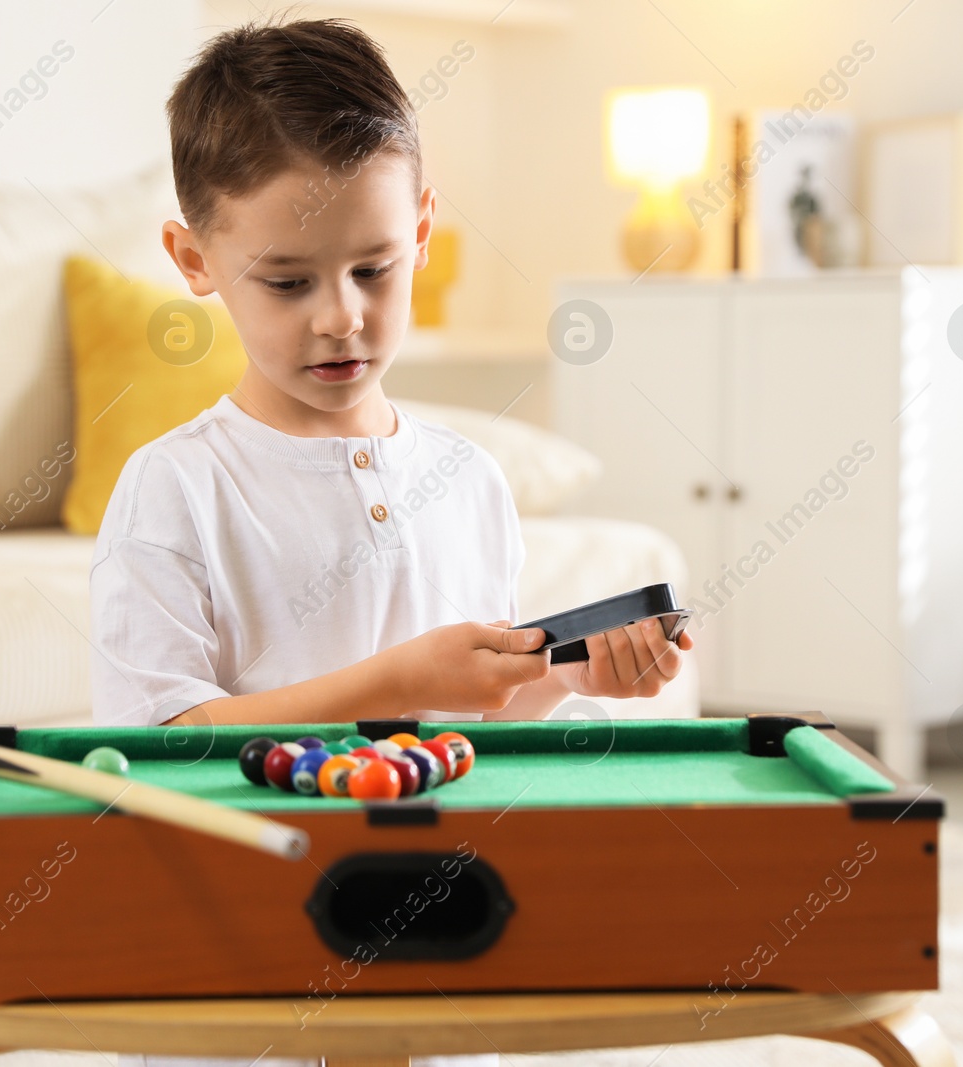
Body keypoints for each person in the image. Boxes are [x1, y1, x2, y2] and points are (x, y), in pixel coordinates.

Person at [91, 16, 689, 734]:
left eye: (374, 269)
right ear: (194, 260)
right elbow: (160, 737)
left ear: (422, 232)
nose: (342, 317)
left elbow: (466, 722)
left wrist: (565, 674)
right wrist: (395, 681)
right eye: (287, 283)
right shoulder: (175, 489)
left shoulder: (470, 477)